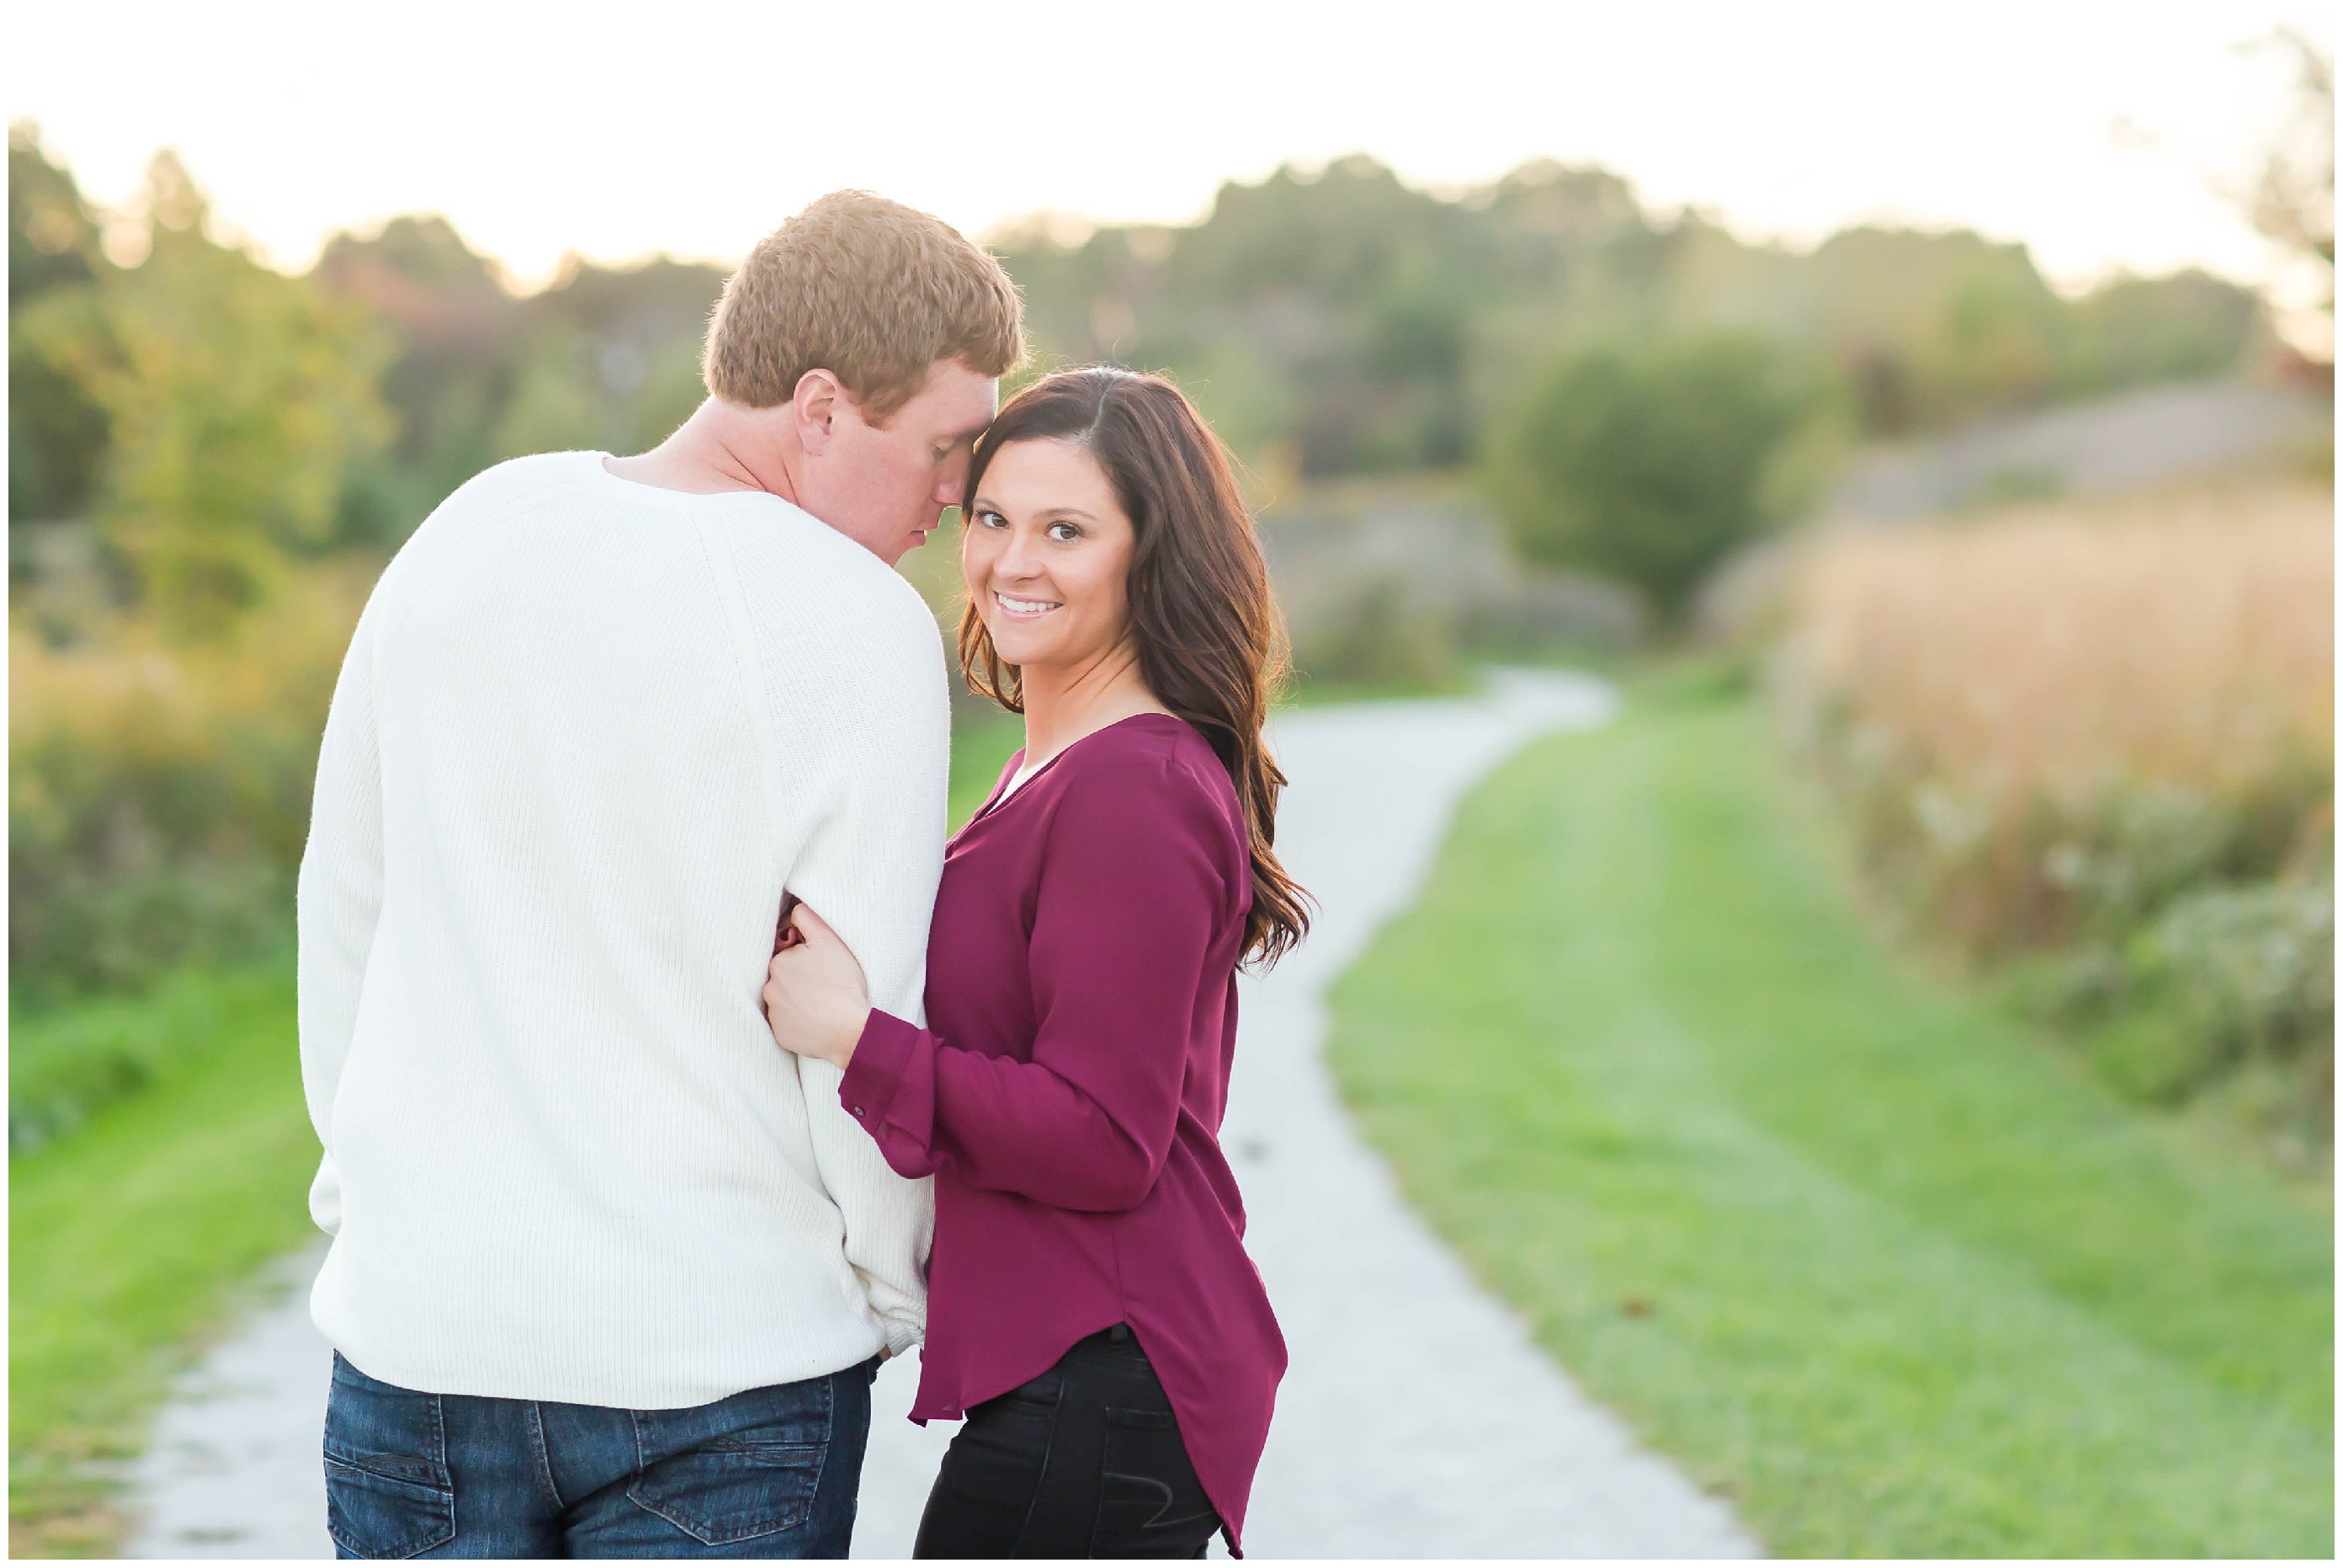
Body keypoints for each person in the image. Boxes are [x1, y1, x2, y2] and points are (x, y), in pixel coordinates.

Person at [295, 190, 1021, 1559]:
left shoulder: (466, 528)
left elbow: (347, 907)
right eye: (941, 446)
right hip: (727, 1377)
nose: (957, 491)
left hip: (422, 1340)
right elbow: (860, 1011)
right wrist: (882, 1290)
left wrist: (373, 1194)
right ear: (818, 409)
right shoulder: (859, 623)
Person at [762, 368, 1304, 1559]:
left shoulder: (1132, 790)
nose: (1013, 561)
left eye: (1067, 530)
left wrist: (856, 1038)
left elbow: (1106, 1138)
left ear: (1148, 556)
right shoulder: (1051, 764)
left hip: (1114, 1371)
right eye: (993, 518)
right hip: (1084, 1370)